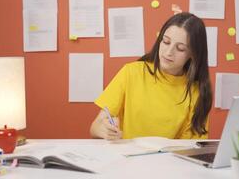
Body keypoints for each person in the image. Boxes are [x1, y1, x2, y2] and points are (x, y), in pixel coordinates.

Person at [90, 12, 212, 140]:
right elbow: (95, 127)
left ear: (193, 54)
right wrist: (103, 129)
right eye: (166, 42)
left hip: (167, 159)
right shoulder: (131, 72)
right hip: (124, 157)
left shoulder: (196, 93)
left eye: (180, 48)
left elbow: (191, 149)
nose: (169, 52)